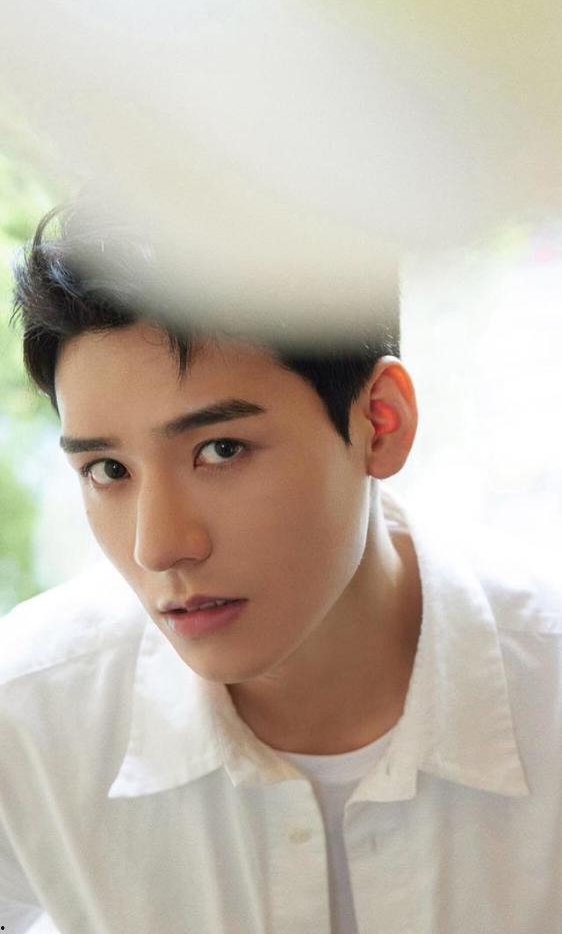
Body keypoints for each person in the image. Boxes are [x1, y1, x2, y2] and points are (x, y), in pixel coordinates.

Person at [2, 201, 561, 934]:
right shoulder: (29, 713)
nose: (159, 547)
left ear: (380, 423)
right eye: (108, 469)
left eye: (221, 450)